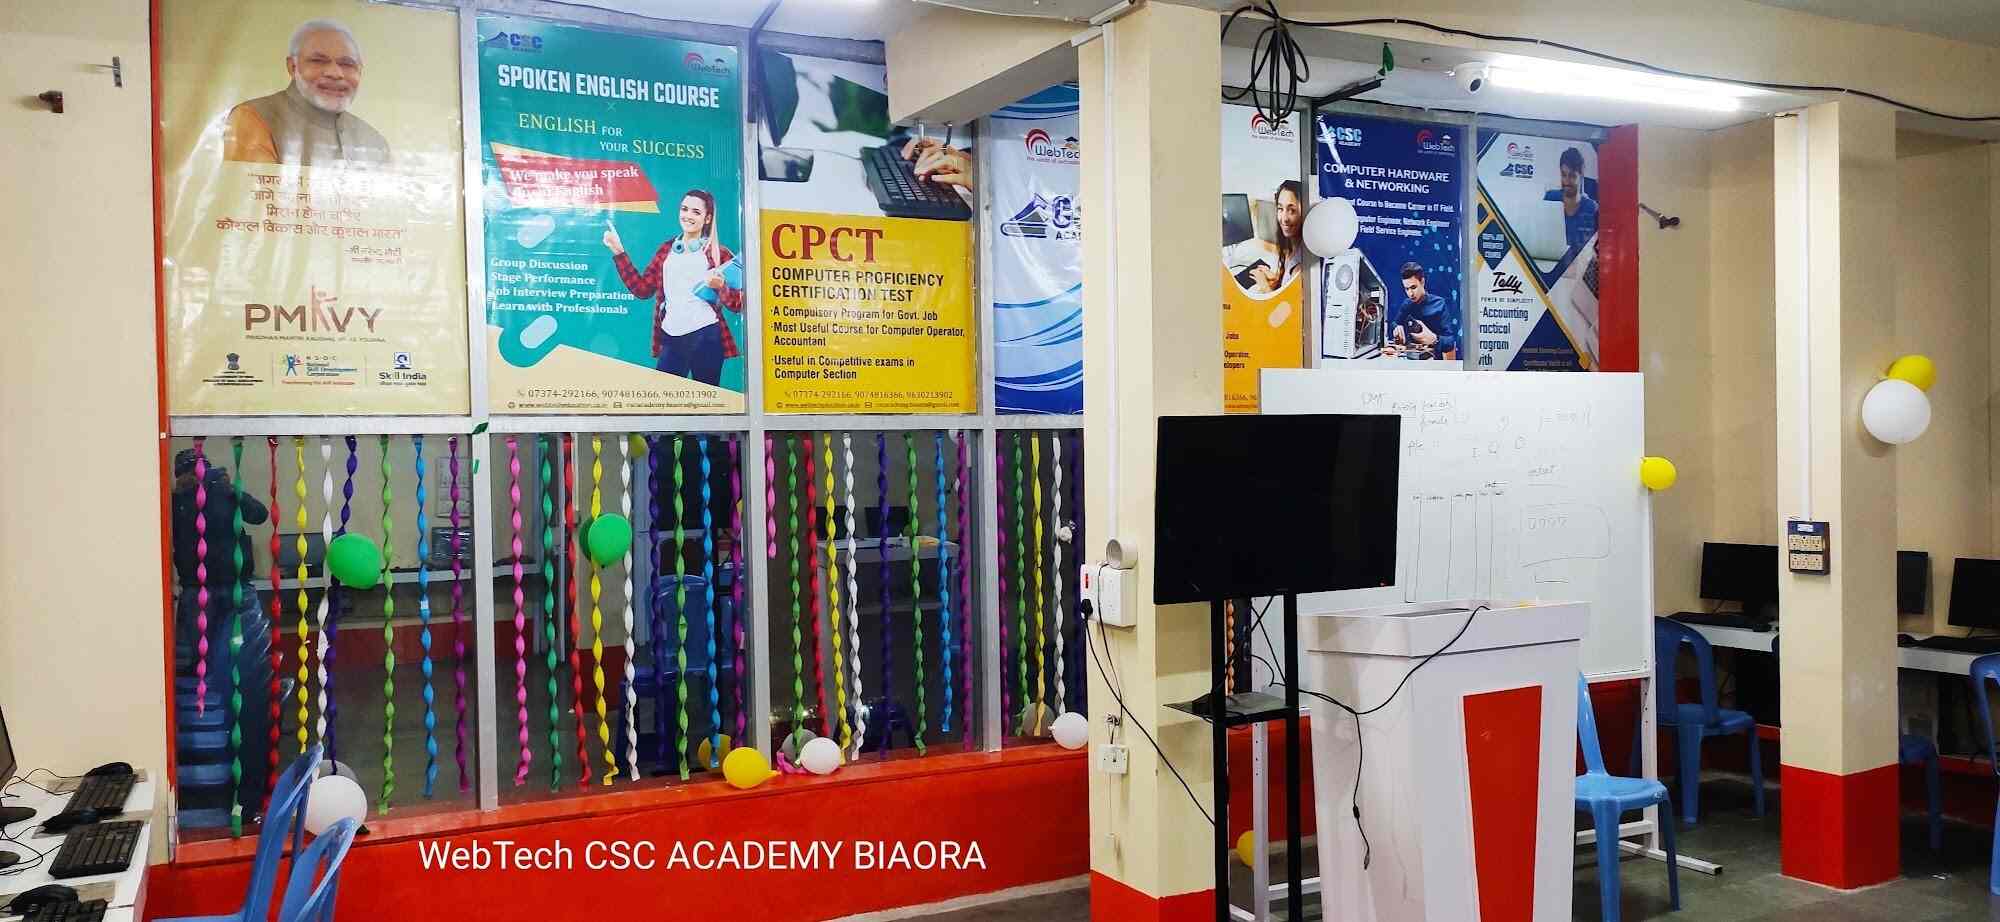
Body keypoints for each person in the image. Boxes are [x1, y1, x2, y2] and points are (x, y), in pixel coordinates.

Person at [170, 448, 275, 820]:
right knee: (239, 691)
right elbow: (259, 515)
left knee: (222, 685)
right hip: (225, 593)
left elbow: (258, 514)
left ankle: (240, 791)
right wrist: (230, 490)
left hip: (210, 595)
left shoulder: (179, 500)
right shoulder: (197, 497)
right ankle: (247, 795)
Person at [605, 190, 745, 386]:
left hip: (706, 336)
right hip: (671, 336)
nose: (687, 215)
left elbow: (739, 304)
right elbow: (642, 290)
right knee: (664, 402)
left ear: (707, 218)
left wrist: (721, 286)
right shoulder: (666, 249)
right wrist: (619, 251)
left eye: (696, 212)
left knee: (707, 406)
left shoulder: (718, 253)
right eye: (684, 209)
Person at [222, 19, 391, 166]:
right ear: (293, 67)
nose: (335, 73)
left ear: (360, 71)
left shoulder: (374, 141)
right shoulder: (255, 117)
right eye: (318, 61)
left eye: (347, 64)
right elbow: (255, 197)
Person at [1221, 180, 1305, 294]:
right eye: (1280, 209)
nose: (1284, 218)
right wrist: (1276, 279)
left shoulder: (1300, 266)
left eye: (1292, 210)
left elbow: (1287, 309)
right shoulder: (1292, 249)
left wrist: (1265, 286)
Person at [1384, 262, 1458, 360]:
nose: (1410, 293)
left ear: (1422, 282)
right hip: (1410, 359)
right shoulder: (1407, 305)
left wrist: (1434, 339)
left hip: (1433, 362)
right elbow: (1395, 323)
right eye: (1407, 289)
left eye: (1413, 287)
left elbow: (1450, 341)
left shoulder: (1439, 304)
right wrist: (1396, 328)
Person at [1544, 146, 1599, 249]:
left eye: (1572, 176)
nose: (1567, 181)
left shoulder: (1592, 208)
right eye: (1563, 175)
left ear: (1581, 175)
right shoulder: (1550, 198)